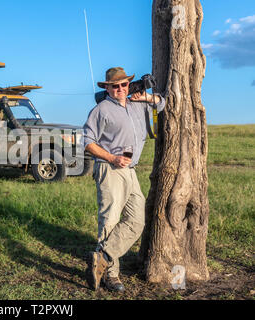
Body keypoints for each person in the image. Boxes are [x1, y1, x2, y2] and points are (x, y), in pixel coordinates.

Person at [83, 67, 165, 292]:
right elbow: (88, 142)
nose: (120, 89)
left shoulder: (137, 104)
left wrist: (145, 96)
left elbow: (161, 103)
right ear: (107, 88)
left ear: (129, 85)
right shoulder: (100, 110)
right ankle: (111, 276)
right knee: (109, 221)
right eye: (115, 86)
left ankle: (103, 257)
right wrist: (112, 157)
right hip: (110, 169)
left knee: (137, 221)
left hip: (130, 171)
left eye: (124, 85)